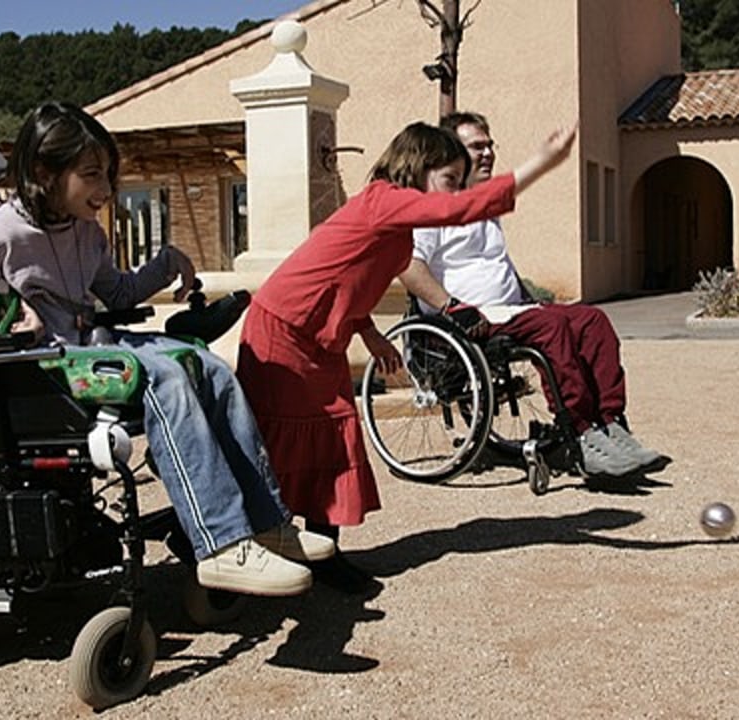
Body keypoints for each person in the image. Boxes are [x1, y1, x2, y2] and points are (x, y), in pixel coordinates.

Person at [0, 101, 334, 597]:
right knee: (167, 377)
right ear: (42, 172)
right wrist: (7, 340)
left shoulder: (84, 232)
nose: (105, 189)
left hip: (90, 350)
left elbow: (114, 294)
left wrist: (166, 264)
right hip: (42, 367)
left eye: (108, 174)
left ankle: (266, 523)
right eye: (92, 175)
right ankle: (222, 544)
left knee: (208, 367)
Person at [236, 119, 577, 592]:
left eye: (459, 182)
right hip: (285, 330)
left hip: (320, 338)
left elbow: (344, 277)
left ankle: (323, 554)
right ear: (418, 167)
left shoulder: (397, 229)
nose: (455, 191)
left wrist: (369, 332)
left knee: (335, 439)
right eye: (450, 179)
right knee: (280, 444)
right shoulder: (383, 200)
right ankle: (247, 550)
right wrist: (542, 163)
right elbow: (461, 211)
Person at [399, 111, 667, 479]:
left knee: (592, 319)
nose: (488, 152)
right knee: (551, 327)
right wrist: (453, 308)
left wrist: (531, 300)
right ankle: (581, 432)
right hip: (466, 321)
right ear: (452, 153)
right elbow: (409, 266)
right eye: (477, 146)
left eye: (490, 144)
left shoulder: (483, 207)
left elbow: (496, 266)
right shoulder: (434, 207)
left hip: (509, 311)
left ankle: (610, 424)